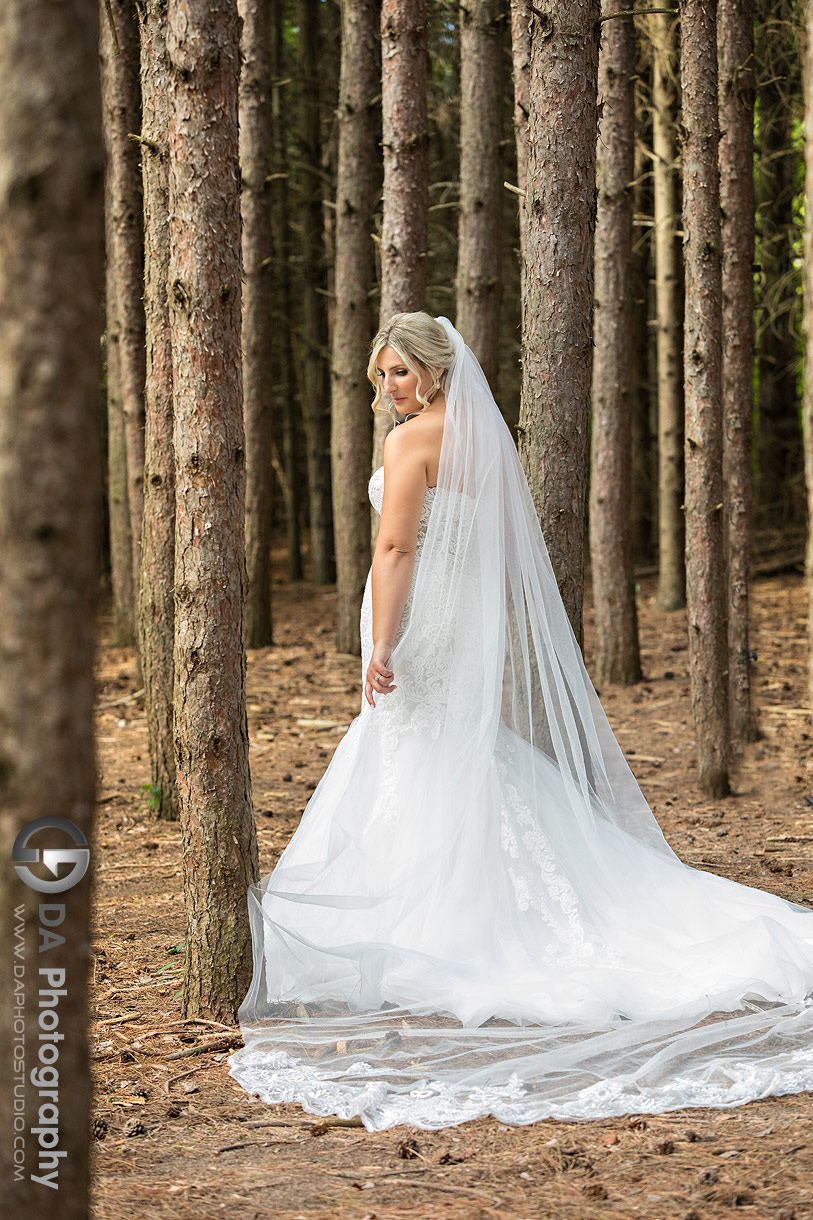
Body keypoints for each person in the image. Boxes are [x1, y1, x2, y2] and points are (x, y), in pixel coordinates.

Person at [228, 313, 813, 1131]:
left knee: (414, 748)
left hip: (420, 619)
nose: (387, 392)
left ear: (436, 371)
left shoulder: (409, 447)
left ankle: (433, 925)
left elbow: (394, 550)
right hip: (463, 617)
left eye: (399, 373)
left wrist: (385, 642)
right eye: (379, 379)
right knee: (455, 755)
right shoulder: (483, 442)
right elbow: (498, 545)